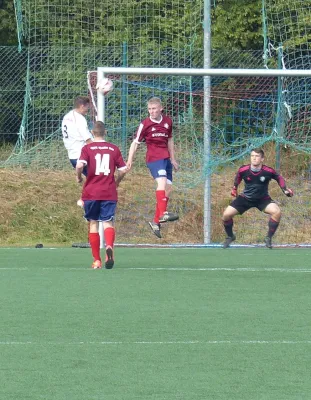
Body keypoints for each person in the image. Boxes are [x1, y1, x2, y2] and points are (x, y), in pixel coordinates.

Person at [76, 121, 127, 269]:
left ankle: (97, 260)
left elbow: (80, 165)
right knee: (108, 222)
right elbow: (123, 170)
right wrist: (117, 181)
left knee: (93, 223)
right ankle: (109, 246)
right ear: (105, 133)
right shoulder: (113, 148)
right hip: (109, 191)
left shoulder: (87, 148)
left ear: (92, 133)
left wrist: (79, 177)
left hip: (91, 192)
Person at [126, 97, 179, 239]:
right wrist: (129, 160)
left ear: (160, 108)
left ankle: (156, 222)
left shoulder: (168, 121)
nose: (152, 112)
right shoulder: (145, 124)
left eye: (154, 109)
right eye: (149, 109)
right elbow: (135, 143)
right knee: (161, 182)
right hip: (154, 159)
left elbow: (170, 139)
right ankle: (163, 214)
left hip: (166, 159)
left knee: (168, 189)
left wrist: (173, 159)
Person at [222, 148, 294, 249]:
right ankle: (230, 236)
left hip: (263, 199)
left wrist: (285, 189)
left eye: (257, 156)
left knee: (277, 212)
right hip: (245, 198)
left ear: (262, 159)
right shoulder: (243, 169)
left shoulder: (268, 171)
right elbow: (238, 176)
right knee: (226, 215)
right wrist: (235, 188)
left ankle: (268, 238)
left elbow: (279, 177)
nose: (254, 158)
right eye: (252, 156)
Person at [62, 96, 93, 176]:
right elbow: (88, 139)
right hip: (81, 155)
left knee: (95, 180)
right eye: (87, 107)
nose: (87, 110)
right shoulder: (80, 119)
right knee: (99, 179)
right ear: (82, 106)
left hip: (72, 156)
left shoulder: (67, 116)